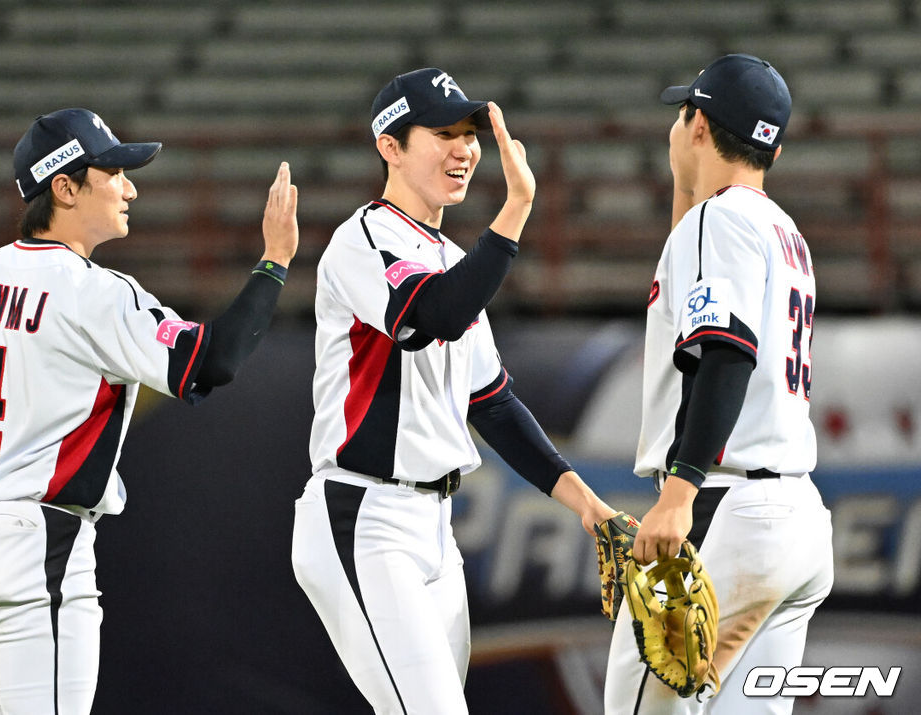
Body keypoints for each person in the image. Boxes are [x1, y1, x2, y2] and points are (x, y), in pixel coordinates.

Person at [0, 107, 298, 714]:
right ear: (63, 187)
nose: (130, 186)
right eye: (113, 171)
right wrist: (274, 261)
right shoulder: (94, 293)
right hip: (37, 543)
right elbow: (214, 360)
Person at [290, 68, 617, 714]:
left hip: (437, 529)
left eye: (470, 133)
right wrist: (516, 211)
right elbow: (434, 315)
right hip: (365, 517)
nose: (465, 148)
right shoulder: (364, 240)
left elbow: (490, 402)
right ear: (390, 146)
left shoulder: (450, 259)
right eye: (443, 132)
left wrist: (586, 503)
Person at [603, 54, 834, 714]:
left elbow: (725, 354)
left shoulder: (720, 221)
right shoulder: (782, 230)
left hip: (724, 507)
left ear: (697, 123)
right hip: (793, 521)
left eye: (683, 116)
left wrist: (679, 493)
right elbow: (693, 259)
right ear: (775, 147)